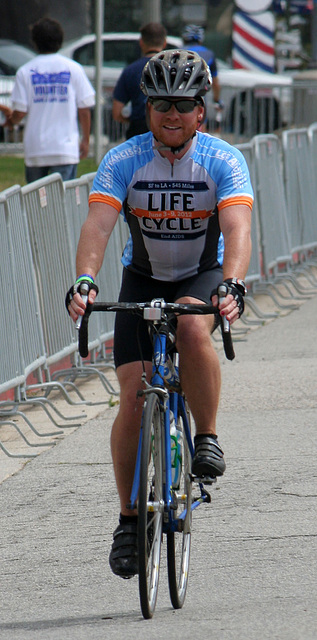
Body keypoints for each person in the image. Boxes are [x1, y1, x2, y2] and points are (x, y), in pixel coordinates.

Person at [66, 49, 253, 580]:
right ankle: (129, 520)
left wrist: (233, 283)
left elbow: (237, 230)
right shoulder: (124, 160)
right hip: (142, 278)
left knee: (194, 324)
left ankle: (208, 437)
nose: (172, 114)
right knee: (131, 399)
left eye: (184, 104)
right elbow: (98, 227)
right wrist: (84, 279)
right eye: (161, 104)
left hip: (202, 274)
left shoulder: (222, 160)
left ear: (202, 110)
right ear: (146, 110)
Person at [7, 17, 95, 183]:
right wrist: (85, 140)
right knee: (61, 202)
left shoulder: (25, 71)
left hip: (36, 147)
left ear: (35, 42)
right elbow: (84, 108)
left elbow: (20, 111)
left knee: (35, 202)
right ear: (60, 41)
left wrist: (12, 120)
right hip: (65, 147)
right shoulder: (73, 69)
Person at [112, 22, 167, 139]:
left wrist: (130, 119)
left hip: (139, 131)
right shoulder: (172, 69)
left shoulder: (130, 71)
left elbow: (117, 112)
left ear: (141, 43)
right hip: (167, 130)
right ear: (165, 43)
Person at [182, 24, 223, 123]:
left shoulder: (178, 51)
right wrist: (217, 100)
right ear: (201, 39)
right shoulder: (209, 54)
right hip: (199, 98)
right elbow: (215, 83)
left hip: (178, 97)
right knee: (199, 130)